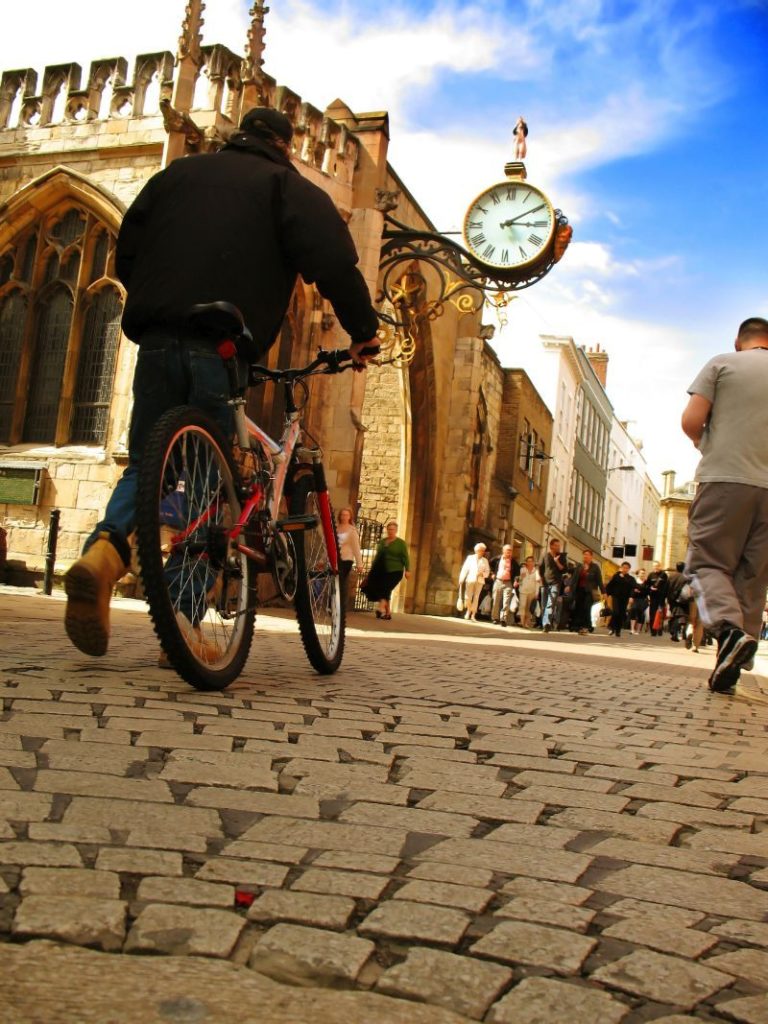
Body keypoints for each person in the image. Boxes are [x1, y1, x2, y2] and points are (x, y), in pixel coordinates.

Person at [62, 107, 380, 660]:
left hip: (158, 336)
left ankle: (104, 554)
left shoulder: (175, 176)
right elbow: (334, 264)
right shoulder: (285, 185)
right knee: (213, 483)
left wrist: (160, 300)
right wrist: (363, 333)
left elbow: (129, 254)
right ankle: (181, 623)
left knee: (147, 462)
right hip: (222, 342)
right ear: (283, 146)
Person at [682, 316, 768, 692]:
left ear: (739, 342)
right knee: (752, 576)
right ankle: (728, 665)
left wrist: (705, 444)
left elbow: (691, 419)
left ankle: (731, 634)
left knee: (708, 564)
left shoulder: (722, 363)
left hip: (726, 478)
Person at [362, 520, 410, 621]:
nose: (390, 531)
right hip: (383, 570)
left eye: (393, 529)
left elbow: (405, 557)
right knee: (384, 589)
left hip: (396, 571)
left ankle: (380, 608)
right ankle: (388, 613)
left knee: (386, 588)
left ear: (396, 530)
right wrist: (372, 570)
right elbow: (378, 556)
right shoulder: (383, 542)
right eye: (389, 529)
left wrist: (407, 570)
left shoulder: (401, 544)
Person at [565, 549, 604, 635]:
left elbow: (599, 580)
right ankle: (578, 626)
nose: (585, 556)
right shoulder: (579, 566)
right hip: (579, 590)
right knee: (579, 608)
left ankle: (586, 626)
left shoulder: (595, 567)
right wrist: (569, 586)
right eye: (584, 554)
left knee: (587, 608)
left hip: (589, 591)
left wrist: (603, 592)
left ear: (591, 556)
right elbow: (574, 578)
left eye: (587, 554)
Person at [458, 543, 491, 621]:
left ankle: (473, 614)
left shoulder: (485, 560)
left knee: (476, 597)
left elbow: (487, 572)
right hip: (470, 579)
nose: (482, 552)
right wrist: (461, 578)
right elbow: (465, 569)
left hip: (480, 581)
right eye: (481, 550)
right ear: (476, 550)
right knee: (467, 597)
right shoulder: (470, 558)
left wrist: (482, 574)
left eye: (483, 551)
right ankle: (469, 610)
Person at [540, 538, 567, 632]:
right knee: (544, 605)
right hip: (545, 584)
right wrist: (541, 580)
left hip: (555, 583)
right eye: (556, 545)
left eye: (559, 546)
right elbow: (541, 568)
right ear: (551, 546)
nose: (558, 547)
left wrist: (557, 562)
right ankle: (544, 623)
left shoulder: (562, 557)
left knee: (550, 604)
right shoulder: (545, 555)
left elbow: (564, 570)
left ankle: (546, 623)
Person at [490, 544, 520, 627]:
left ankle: (503, 618)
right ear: (503, 551)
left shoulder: (513, 562)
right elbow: (490, 565)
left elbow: (518, 573)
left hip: (508, 582)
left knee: (506, 602)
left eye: (510, 551)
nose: (509, 552)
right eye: (508, 550)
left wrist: (516, 581)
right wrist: (492, 573)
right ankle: (495, 618)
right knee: (496, 600)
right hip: (498, 581)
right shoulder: (497, 559)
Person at [336, 507, 363, 590]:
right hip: (335, 559)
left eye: (346, 515)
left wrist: (359, 564)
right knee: (334, 583)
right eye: (342, 515)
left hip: (346, 560)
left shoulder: (352, 530)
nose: (344, 517)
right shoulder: (335, 528)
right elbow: (330, 544)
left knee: (340, 582)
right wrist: (322, 560)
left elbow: (356, 548)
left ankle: (341, 601)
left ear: (350, 517)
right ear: (340, 516)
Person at [606, 562, 636, 637]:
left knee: (621, 614)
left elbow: (633, 588)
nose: (625, 569)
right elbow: (610, 585)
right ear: (621, 567)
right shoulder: (616, 576)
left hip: (625, 598)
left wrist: (631, 597)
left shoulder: (631, 579)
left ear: (629, 569)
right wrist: (608, 594)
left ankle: (618, 630)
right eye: (624, 567)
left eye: (627, 568)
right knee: (616, 612)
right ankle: (612, 628)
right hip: (616, 597)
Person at [666, 561, 691, 643]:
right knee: (681, 616)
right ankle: (675, 632)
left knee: (674, 614)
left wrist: (666, 598)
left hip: (671, 599)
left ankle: (673, 630)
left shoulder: (671, 576)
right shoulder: (686, 577)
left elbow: (666, 588)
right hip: (682, 599)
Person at [645, 561, 669, 636]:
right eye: (655, 566)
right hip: (653, 597)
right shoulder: (651, 575)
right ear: (653, 567)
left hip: (661, 598)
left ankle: (659, 629)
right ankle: (653, 631)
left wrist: (665, 596)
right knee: (652, 614)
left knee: (660, 614)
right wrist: (650, 588)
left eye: (658, 566)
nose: (656, 567)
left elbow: (666, 586)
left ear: (660, 566)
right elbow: (647, 585)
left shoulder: (664, 575)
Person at [517, 555, 540, 628]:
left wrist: (537, 592)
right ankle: (521, 622)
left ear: (534, 563)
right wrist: (521, 577)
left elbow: (537, 582)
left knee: (529, 608)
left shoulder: (536, 571)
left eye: (531, 561)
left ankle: (526, 623)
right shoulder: (522, 569)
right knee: (522, 606)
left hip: (532, 591)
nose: (530, 563)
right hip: (523, 590)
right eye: (528, 561)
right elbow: (519, 581)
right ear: (526, 562)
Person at [628, 567, 648, 635]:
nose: (643, 574)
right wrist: (631, 597)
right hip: (635, 599)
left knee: (641, 614)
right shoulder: (635, 581)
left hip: (643, 600)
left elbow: (646, 591)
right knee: (633, 611)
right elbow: (631, 589)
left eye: (644, 573)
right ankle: (632, 629)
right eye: (642, 573)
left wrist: (639, 591)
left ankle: (638, 630)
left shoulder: (646, 582)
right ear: (638, 574)